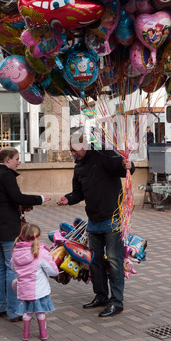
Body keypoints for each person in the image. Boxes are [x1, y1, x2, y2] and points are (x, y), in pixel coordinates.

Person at [57, 133, 135, 317]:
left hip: (113, 218)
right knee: (95, 261)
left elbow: (124, 169)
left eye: (74, 150)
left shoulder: (104, 155)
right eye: (70, 151)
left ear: (83, 145)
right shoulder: (79, 167)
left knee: (115, 262)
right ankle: (101, 296)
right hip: (93, 220)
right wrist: (67, 199)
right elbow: (78, 193)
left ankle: (117, 302)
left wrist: (130, 166)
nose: (72, 154)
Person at [0, 147, 51, 322]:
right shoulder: (7, 176)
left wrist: (21, 206)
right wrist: (41, 198)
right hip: (8, 229)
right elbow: (17, 197)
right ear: (7, 160)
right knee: (11, 268)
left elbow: (6, 200)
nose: (19, 162)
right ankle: (14, 310)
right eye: (16, 158)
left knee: (0, 267)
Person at [11, 223, 58, 341]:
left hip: (24, 290)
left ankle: (25, 334)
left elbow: (13, 267)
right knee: (40, 312)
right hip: (39, 290)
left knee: (26, 313)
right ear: (38, 237)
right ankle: (43, 333)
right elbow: (53, 271)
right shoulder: (41, 252)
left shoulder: (16, 252)